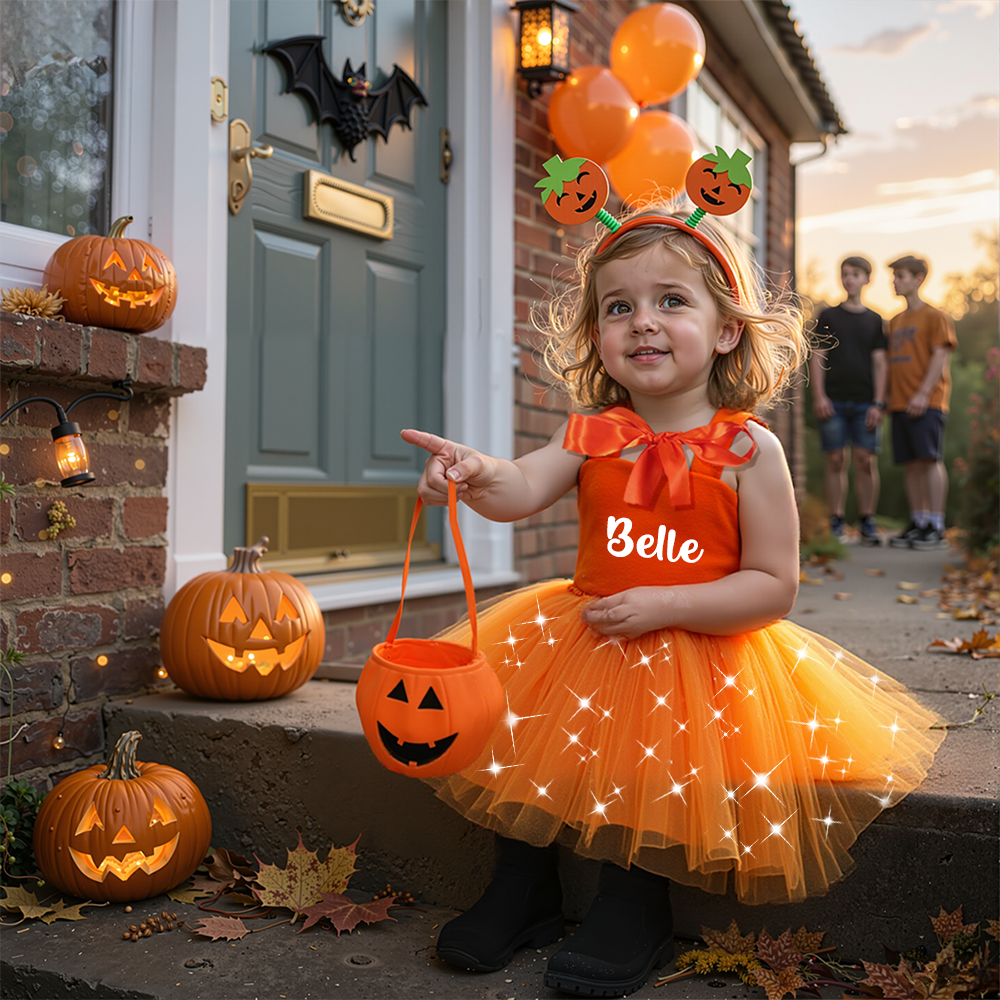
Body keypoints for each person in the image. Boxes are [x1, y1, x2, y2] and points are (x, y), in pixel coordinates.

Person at [401, 206, 944, 999]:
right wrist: (476, 472)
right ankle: (522, 888)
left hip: (694, 644)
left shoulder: (748, 448)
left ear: (726, 330)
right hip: (584, 633)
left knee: (647, 760)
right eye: (619, 307)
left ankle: (633, 903)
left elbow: (772, 584)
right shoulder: (595, 432)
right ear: (596, 335)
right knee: (515, 734)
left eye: (671, 302)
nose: (643, 323)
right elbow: (520, 489)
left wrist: (668, 605)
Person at [810, 256, 887, 545]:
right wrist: (819, 396)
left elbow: (880, 364)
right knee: (835, 459)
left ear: (867, 279)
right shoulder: (828, 316)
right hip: (834, 402)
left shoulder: (875, 320)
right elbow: (818, 357)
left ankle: (867, 521)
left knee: (866, 460)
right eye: (845, 274)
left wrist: (879, 402)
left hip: (866, 403)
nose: (849, 279)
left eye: (855, 274)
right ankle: (836, 521)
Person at [885, 255, 957, 550]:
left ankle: (936, 526)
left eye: (900, 276)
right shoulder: (896, 321)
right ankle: (919, 521)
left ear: (918, 279)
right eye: (894, 276)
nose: (895, 281)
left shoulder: (935, 316)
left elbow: (940, 356)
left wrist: (923, 394)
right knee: (911, 464)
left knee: (929, 460)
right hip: (900, 403)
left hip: (927, 402)